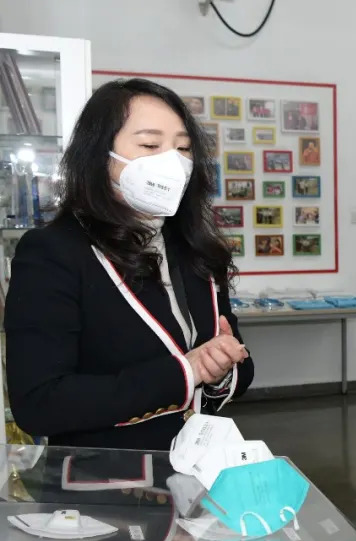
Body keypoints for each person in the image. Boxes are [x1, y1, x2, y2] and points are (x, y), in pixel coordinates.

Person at [4, 78, 253, 454]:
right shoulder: (54, 251)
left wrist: (220, 369)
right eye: (150, 145)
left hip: (196, 470)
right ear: (99, 155)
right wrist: (187, 372)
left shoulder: (193, 248)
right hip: (105, 479)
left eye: (183, 148)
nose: (173, 163)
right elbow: (39, 403)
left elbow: (239, 364)